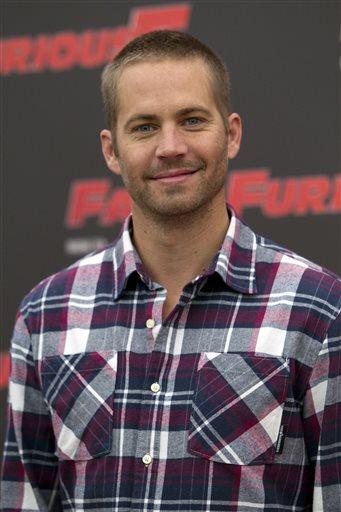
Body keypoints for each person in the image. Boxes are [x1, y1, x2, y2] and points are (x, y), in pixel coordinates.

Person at [1, 30, 340, 512]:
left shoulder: (319, 310)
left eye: (192, 120)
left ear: (233, 133)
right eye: (144, 127)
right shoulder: (46, 314)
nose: (171, 146)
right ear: (111, 150)